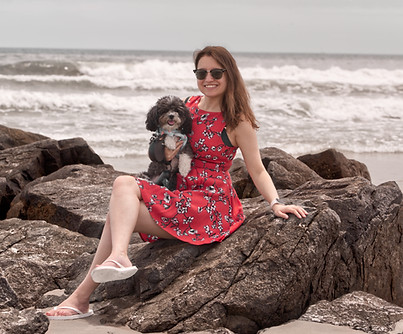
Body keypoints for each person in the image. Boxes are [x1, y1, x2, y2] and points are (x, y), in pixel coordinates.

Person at [45, 46, 308, 319]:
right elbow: (159, 146)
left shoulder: (237, 121)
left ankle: (83, 296)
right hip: (179, 193)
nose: (209, 78)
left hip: (209, 205)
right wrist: (164, 151)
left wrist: (276, 203)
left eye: (216, 72)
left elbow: (257, 169)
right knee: (123, 188)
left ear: (230, 75)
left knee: (118, 212)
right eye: (201, 72)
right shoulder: (189, 105)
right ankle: (114, 262)